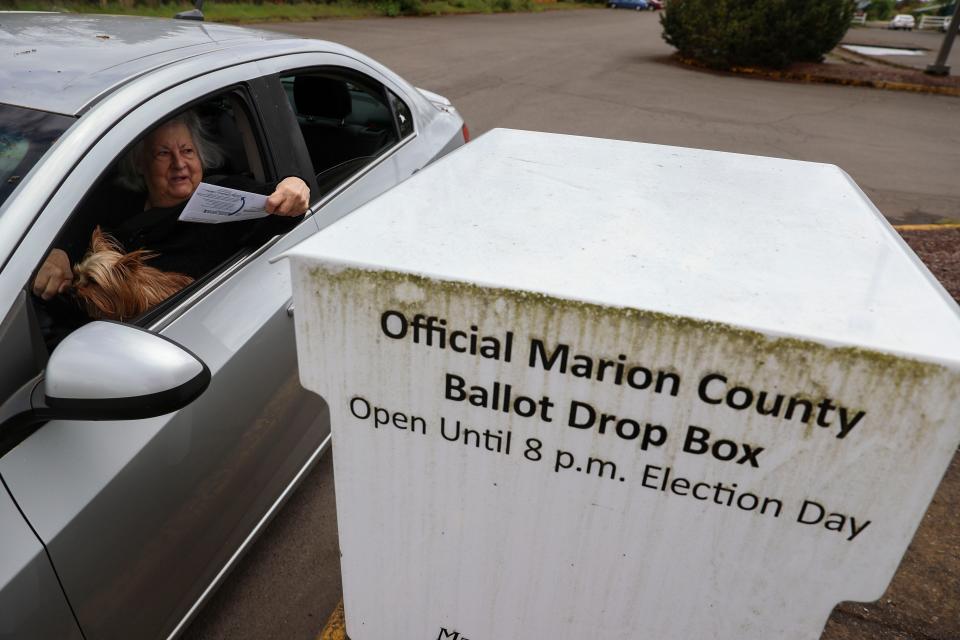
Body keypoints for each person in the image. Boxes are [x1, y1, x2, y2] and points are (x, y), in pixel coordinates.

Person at [32, 110, 310, 303]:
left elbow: (277, 206)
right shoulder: (116, 201)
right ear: (140, 163)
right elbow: (73, 223)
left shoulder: (224, 196)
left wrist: (295, 183)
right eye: (164, 153)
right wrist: (59, 252)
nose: (179, 164)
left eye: (187, 151)